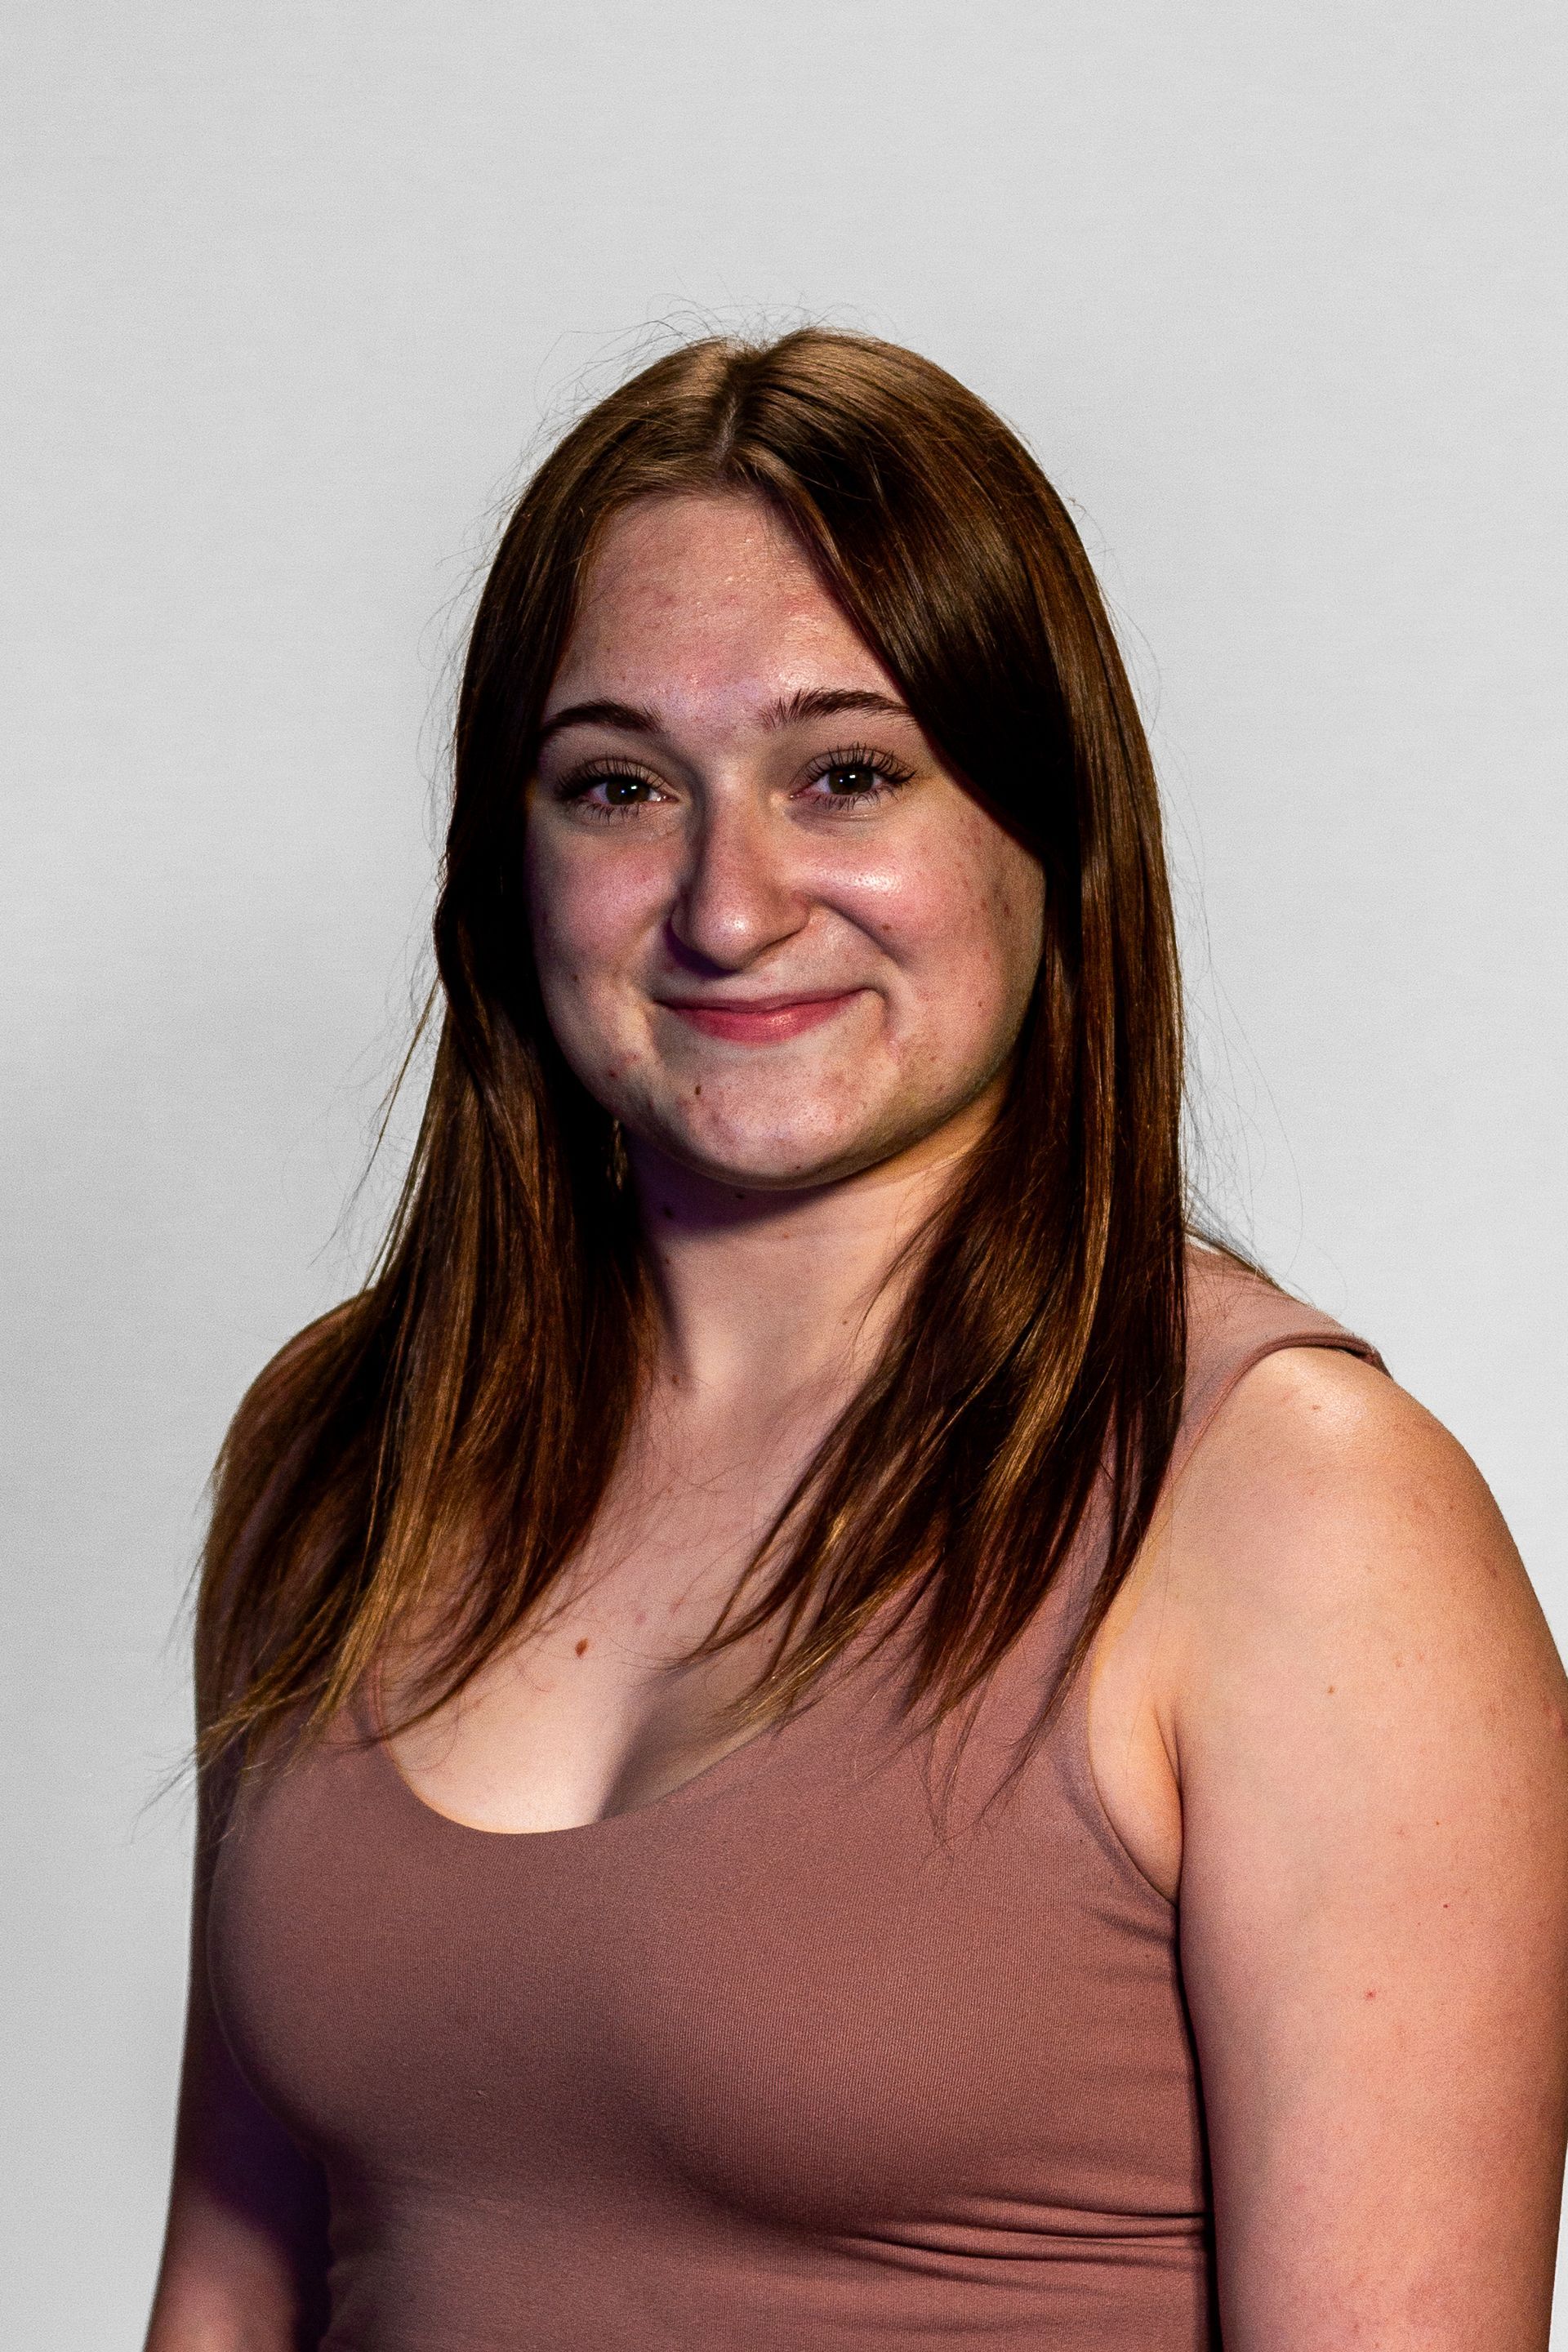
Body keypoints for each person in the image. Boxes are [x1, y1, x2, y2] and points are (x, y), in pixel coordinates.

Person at [145, 328, 1568, 2352]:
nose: (728, 908)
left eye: (847, 774)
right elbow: (229, 2295)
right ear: (507, 857)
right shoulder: (345, 1443)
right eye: (621, 785)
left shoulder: (1296, 1510)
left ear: (1045, 828)